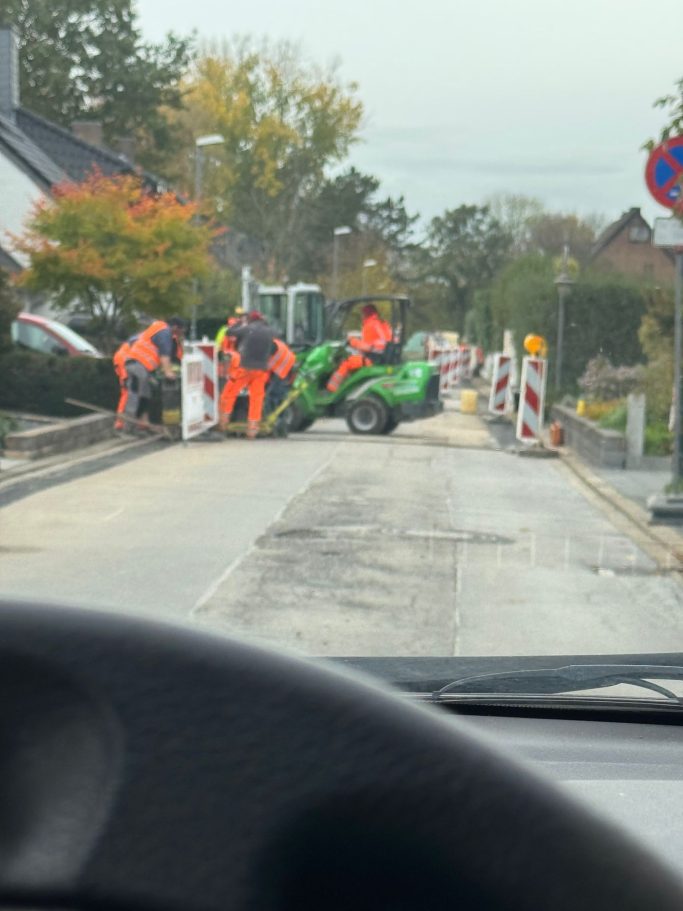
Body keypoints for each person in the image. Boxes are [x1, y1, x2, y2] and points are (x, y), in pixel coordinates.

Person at [219, 311, 275, 439]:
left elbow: (229, 333)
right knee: (256, 399)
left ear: (250, 320)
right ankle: (252, 431)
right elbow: (272, 348)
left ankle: (223, 423)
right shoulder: (270, 331)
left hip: (245, 368)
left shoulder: (247, 328)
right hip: (261, 370)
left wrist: (238, 323)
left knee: (229, 394)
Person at [124, 317, 186, 429]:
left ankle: (140, 424)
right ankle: (129, 426)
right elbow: (164, 355)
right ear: (176, 327)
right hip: (138, 364)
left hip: (137, 364)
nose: (181, 333)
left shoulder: (159, 328)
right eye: (182, 330)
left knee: (144, 394)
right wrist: (168, 372)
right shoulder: (165, 333)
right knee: (138, 394)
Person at [326, 303, 392, 393]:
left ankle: (331, 390)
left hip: (373, 359)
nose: (362, 316)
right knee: (352, 359)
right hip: (381, 356)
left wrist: (352, 341)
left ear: (367, 313)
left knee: (346, 363)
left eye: (363, 314)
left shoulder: (370, 325)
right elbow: (376, 342)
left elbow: (367, 347)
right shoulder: (382, 323)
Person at [112, 333, 139, 430]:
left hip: (124, 373)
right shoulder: (125, 354)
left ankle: (122, 422)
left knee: (126, 396)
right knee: (126, 396)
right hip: (125, 375)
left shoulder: (125, 350)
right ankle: (120, 422)